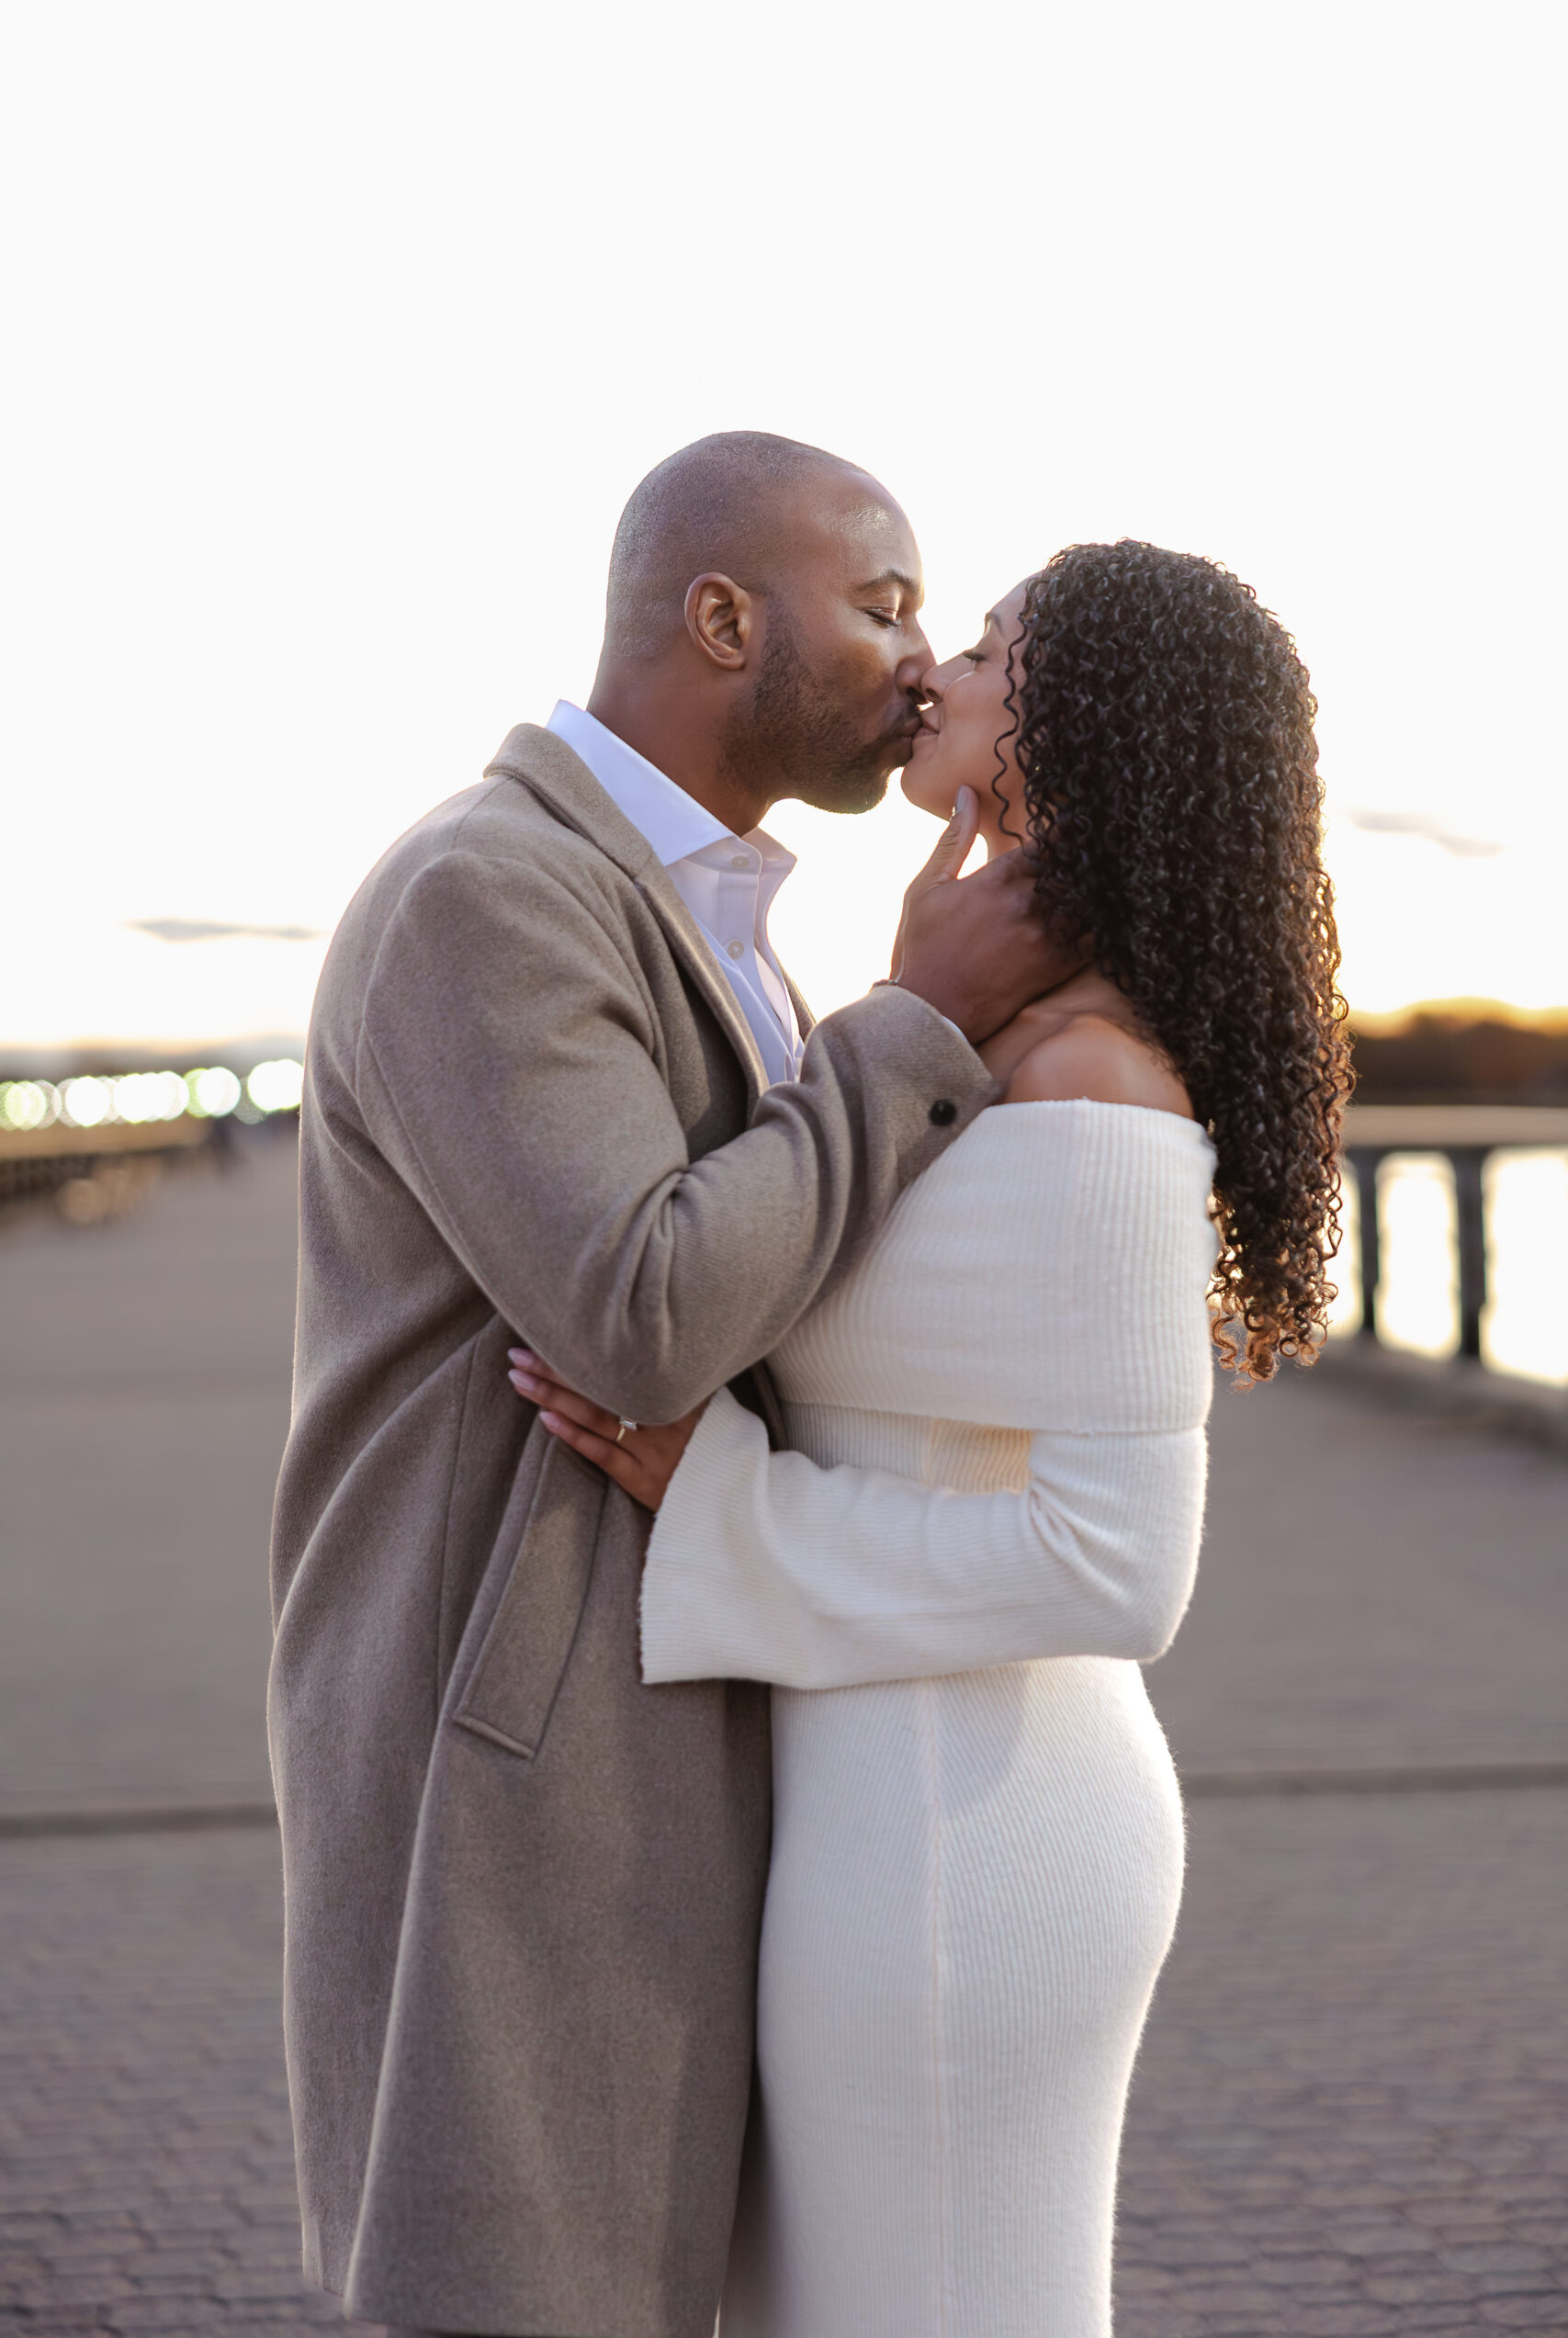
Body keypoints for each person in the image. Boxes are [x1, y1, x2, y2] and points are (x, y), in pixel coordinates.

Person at [267, 432, 1079, 2338]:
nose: (912, 653)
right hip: (519, 1768)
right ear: (723, 614)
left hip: (656, 1734)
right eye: (878, 598)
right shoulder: (490, 886)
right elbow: (639, 1303)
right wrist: (917, 1026)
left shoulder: (713, 914)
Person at [511, 538, 1353, 2338]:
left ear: (1070, 731)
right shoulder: (997, 1034)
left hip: (963, 1830)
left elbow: (1118, 1563)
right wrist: (905, 1007)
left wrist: (721, 1501)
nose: (931, 675)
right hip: (892, 1796)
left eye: (975, 650)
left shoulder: (1090, 1076)